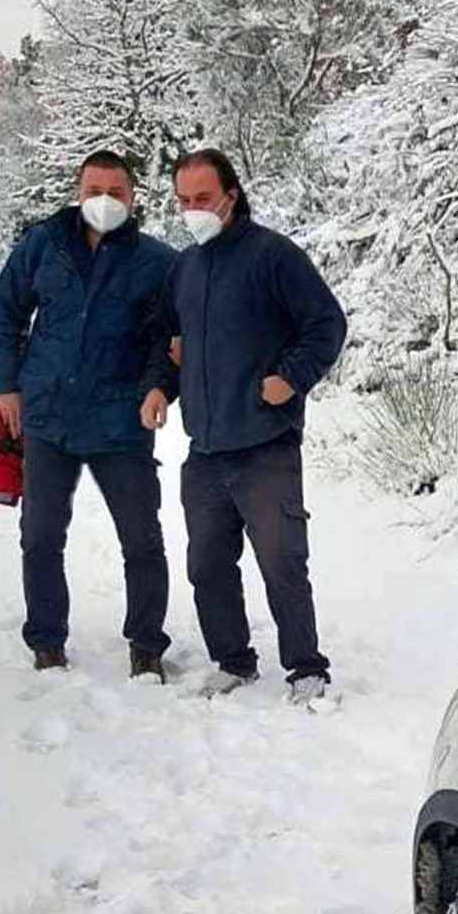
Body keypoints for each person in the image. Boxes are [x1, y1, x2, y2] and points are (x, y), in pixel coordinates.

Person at [141, 148, 347, 702]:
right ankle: (233, 661)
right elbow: (168, 339)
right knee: (207, 566)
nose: (193, 210)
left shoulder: (274, 257)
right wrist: (159, 385)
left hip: (265, 445)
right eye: (183, 200)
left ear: (231, 196)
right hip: (205, 449)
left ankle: (306, 669)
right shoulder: (185, 269)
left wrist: (291, 377)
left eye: (203, 198)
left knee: (282, 563)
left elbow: (326, 324)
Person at [0, 149, 179, 679]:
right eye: (95, 191)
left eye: (116, 192)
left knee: (142, 540)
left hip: (122, 422)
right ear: (78, 192)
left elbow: (168, 340)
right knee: (40, 536)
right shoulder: (44, 244)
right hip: (48, 416)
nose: (105, 201)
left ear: (133, 197)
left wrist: (158, 389)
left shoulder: (158, 263)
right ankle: (46, 640)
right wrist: (7, 384)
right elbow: (5, 310)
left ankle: (147, 645)